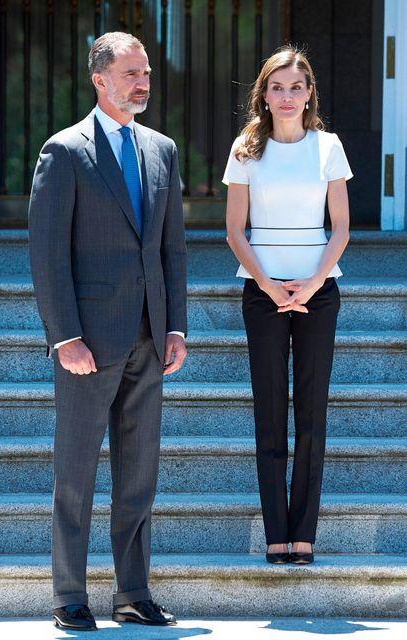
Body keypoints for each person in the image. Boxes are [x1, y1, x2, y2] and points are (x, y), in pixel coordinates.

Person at [29, 31, 187, 631]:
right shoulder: (64, 152)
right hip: (88, 344)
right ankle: (69, 596)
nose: (143, 82)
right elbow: (47, 253)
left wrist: (176, 326)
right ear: (100, 80)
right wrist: (64, 335)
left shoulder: (162, 150)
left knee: (138, 476)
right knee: (75, 476)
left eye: (146, 72)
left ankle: (133, 594)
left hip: (151, 337)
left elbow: (171, 247)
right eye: (131, 73)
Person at [224, 46, 351, 566]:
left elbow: (341, 226)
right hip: (263, 294)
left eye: (296, 87)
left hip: (319, 295)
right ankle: (276, 535)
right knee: (270, 415)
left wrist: (315, 281)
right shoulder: (246, 149)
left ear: (309, 93)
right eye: (277, 87)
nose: (286, 96)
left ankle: (305, 537)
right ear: (264, 93)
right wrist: (272, 287)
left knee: (312, 418)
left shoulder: (329, 147)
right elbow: (234, 230)